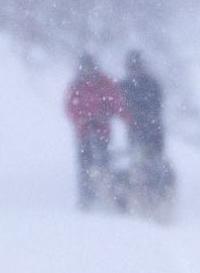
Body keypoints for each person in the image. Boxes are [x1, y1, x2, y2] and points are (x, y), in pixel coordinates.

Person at [118, 49, 174, 219]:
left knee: (154, 166)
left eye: (136, 66)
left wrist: (142, 115)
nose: (134, 69)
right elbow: (120, 106)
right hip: (137, 132)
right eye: (132, 66)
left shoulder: (150, 84)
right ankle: (143, 200)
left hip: (153, 132)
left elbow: (157, 105)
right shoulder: (125, 85)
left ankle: (157, 198)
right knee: (139, 166)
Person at [65, 54, 123, 210]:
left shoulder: (105, 84)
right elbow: (71, 108)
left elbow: (115, 102)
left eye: (89, 68)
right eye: (85, 68)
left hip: (102, 132)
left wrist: (106, 114)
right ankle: (87, 198)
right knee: (85, 166)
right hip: (84, 133)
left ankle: (108, 195)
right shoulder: (77, 86)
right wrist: (82, 119)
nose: (87, 72)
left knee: (104, 164)